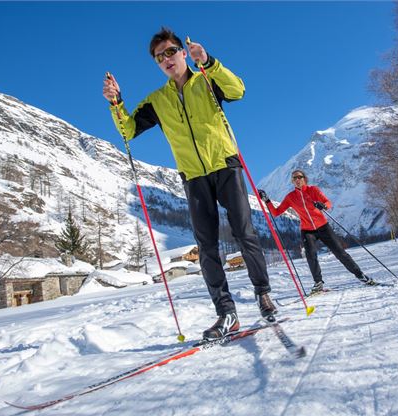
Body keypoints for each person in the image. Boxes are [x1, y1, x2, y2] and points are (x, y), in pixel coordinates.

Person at [102, 27, 276, 340]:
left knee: (243, 232)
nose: (166, 59)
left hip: (225, 164)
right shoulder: (157, 101)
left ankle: (263, 295)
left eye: (170, 52)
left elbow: (238, 91)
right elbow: (127, 131)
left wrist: (208, 63)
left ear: (183, 52)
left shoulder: (206, 80)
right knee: (206, 246)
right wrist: (116, 103)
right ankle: (226, 314)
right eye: (159, 57)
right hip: (193, 176)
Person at [258, 170, 375, 294]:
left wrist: (323, 206)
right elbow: (276, 212)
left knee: (340, 252)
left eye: (299, 177)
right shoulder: (291, 197)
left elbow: (327, 202)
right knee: (311, 255)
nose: (297, 179)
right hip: (307, 230)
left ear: (304, 178)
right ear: (292, 181)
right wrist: (267, 201)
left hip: (323, 227)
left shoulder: (313, 190)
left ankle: (360, 275)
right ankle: (318, 282)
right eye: (294, 178)